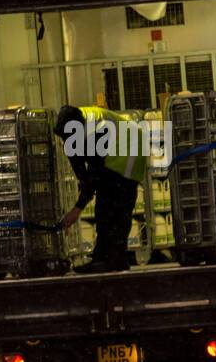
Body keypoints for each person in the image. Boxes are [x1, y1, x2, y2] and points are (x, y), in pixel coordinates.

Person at [53, 104, 146, 274]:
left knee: (112, 208)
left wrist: (77, 209)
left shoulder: (96, 130)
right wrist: (83, 182)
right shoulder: (73, 128)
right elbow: (80, 166)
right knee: (107, 208)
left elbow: (96, 173)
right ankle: (111, 259)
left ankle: (109, 260)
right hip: (119, 150)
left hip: (129, 151)